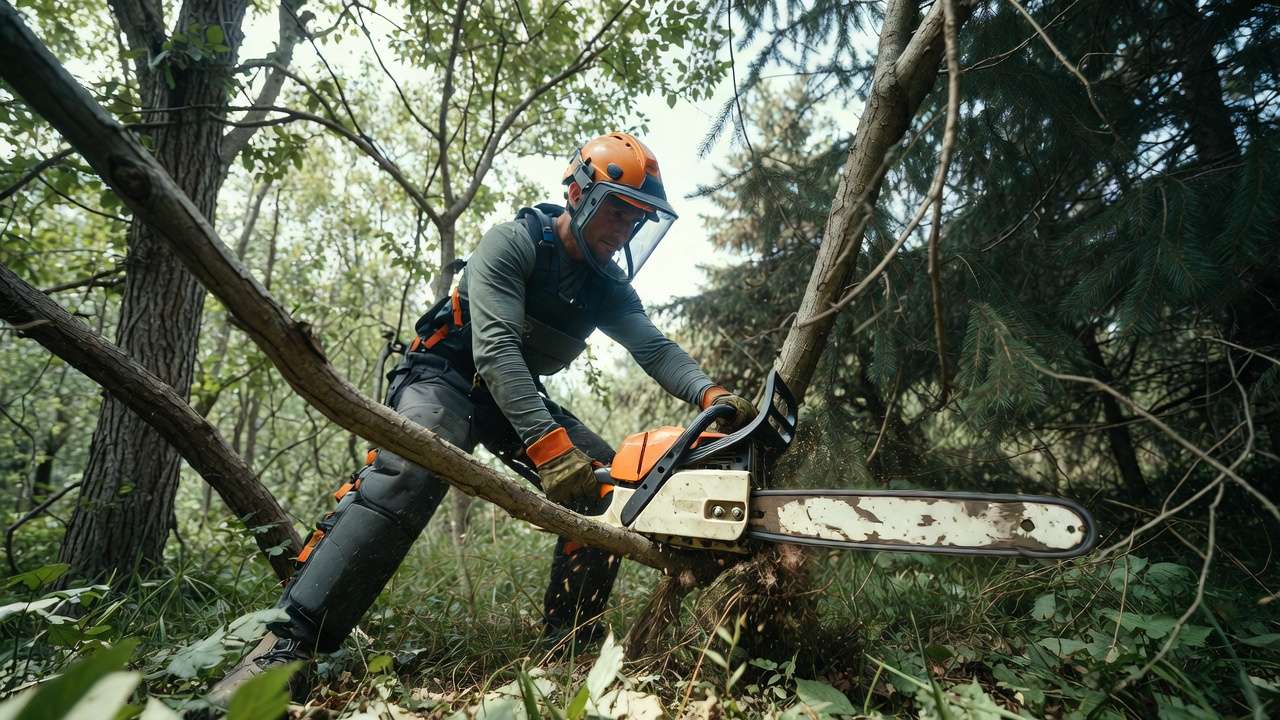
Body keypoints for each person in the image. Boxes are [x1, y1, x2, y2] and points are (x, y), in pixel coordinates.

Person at [210, 132, 756, 700]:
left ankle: (568, 644)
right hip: (442, 373)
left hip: (509, 397)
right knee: (414, 467)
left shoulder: (607, 287)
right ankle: (289, 645)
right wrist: (548, 447)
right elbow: (493, 348)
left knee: (605, 488)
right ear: (579, 194)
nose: (622, 232)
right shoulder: (513, 242)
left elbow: (655, 348)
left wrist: (709, 394)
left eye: (634, 221)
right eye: (617, 213)